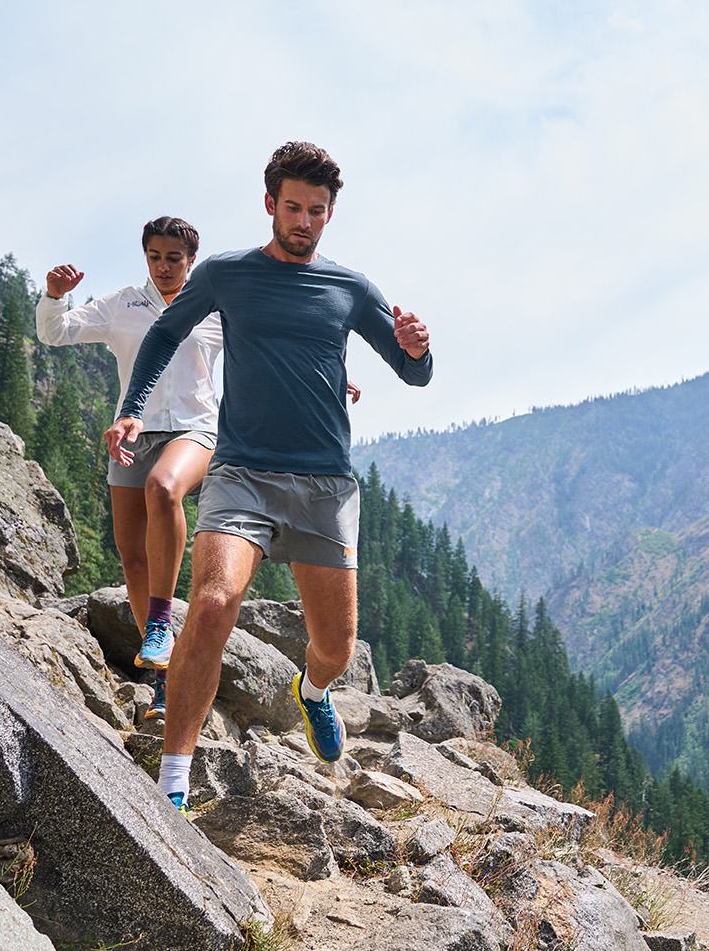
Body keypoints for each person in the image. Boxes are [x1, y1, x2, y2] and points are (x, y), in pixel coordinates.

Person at [106, 142, 432, 812]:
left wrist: (420, 350)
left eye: (317, 211)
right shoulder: (227, 275)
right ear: (269, 205)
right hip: (242, 473)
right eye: (292, 208)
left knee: (336, 649)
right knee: (216, 601)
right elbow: (165, 334)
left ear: (330, 214)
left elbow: (411, 372)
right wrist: (133, 411)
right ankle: (173, 778)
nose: (304, 221)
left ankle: (311, 693)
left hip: (324, 486)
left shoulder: (350, 288)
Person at [36, 217, 223, 724]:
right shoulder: (123, 305)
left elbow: (271, 353)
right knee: (133, 559)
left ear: (191, 261)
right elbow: (56, 332)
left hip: (194, 431)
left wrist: (333, 379)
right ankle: (164, 671)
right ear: (145, 257)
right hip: (131, 435)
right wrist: (54, 296)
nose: (164, 267)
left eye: (175, 259)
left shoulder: (214, 309)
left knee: (165, 490)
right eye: (155, 257)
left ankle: (160, 622)